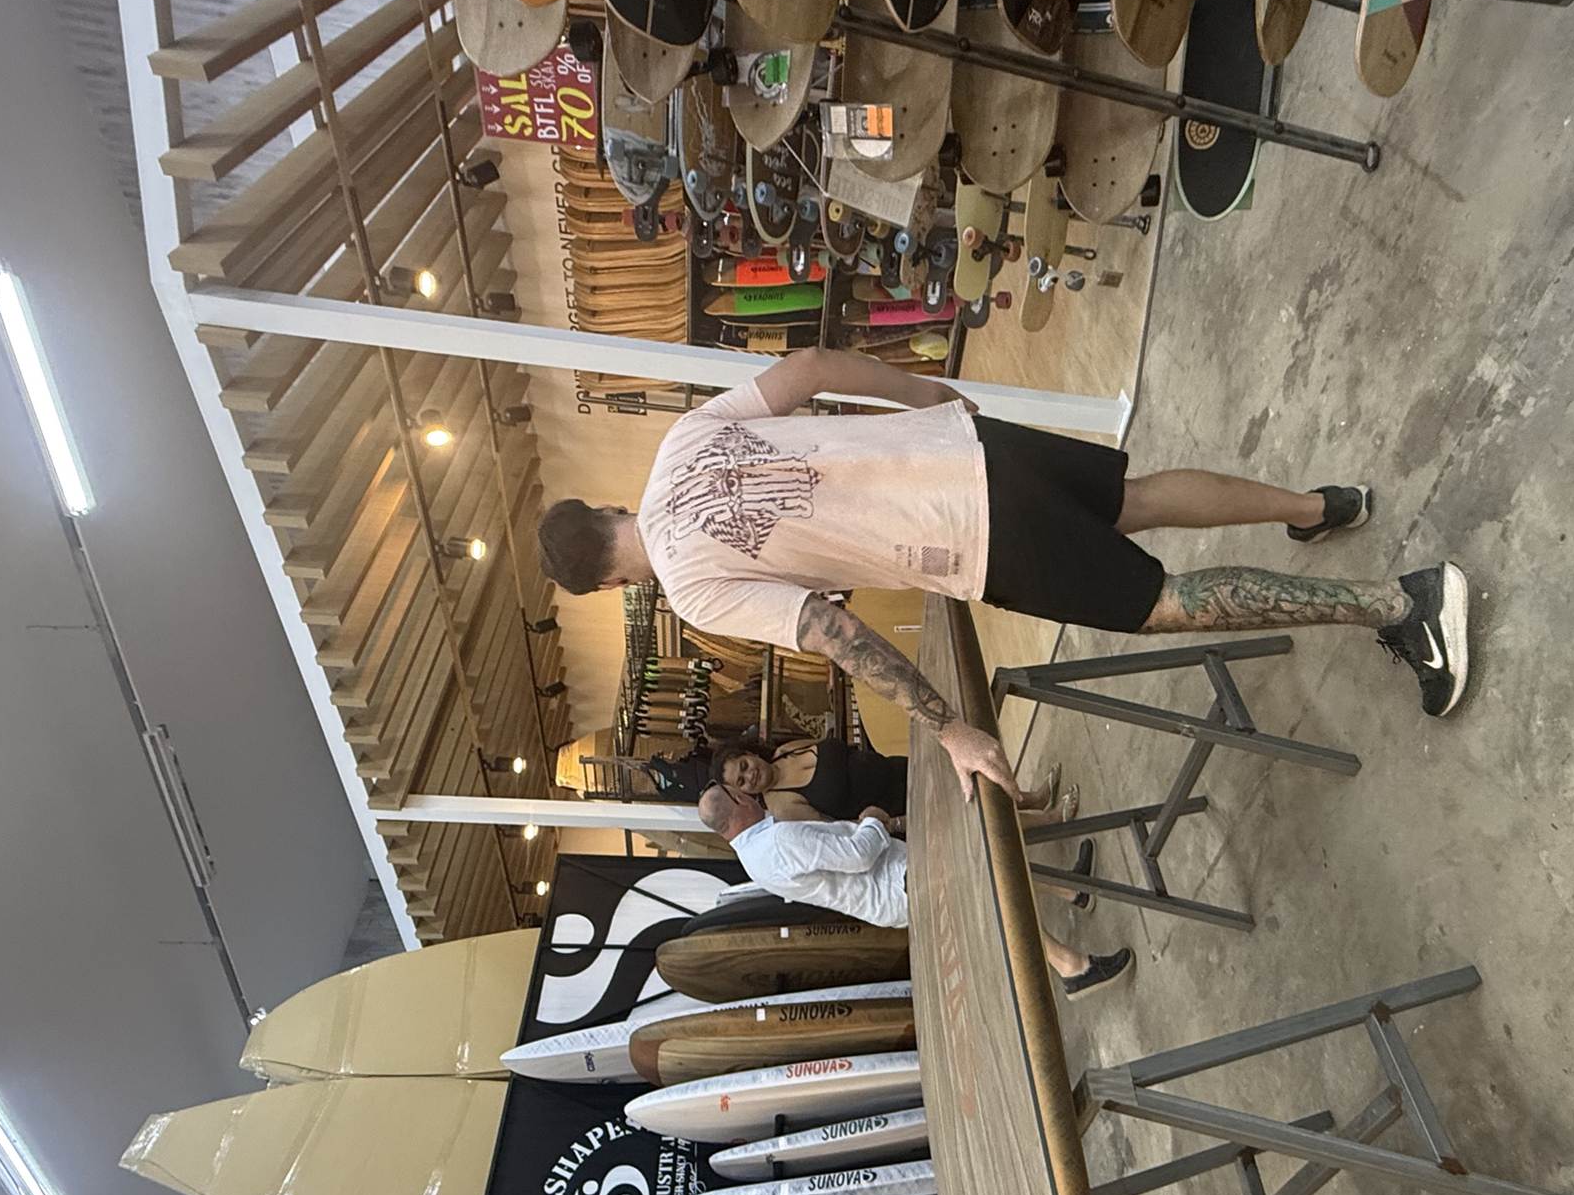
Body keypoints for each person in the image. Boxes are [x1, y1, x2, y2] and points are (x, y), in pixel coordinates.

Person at [537, 347, 1471, 802]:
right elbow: (811, 366)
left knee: (1161, 604)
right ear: (606, 510)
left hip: (972, 541)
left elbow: (835, 634)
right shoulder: (681, 441)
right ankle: (1318, 506)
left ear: (611, 586)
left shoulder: (694, 590)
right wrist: (925, 392)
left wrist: (950, 729)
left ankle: (1402, 604)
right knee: (1135, 498)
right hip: (966, 447)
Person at [697, 784, 1131, 999]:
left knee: (994, 863)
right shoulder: (777, 841)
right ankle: (1072, 967)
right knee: (1000, 889)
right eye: (741, 792)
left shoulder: (754, 859)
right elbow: (858, 856)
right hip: (899, 880)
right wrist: (873, 818)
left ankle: (1072, 892)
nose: (750, 793)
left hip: (893, 890)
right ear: (738, 803)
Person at [708, 732, 1071, 825]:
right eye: (742, 782)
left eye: (744, 766)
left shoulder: (786, 749)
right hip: (897, 808)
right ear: (744, 793)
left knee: (971, 778)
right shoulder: (782, 806)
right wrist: (894, 824)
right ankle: (1051, 819)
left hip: (897, 769)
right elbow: (838, 827)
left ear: (749, 753)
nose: (750, 775)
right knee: (973, 812)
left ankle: (1029, 798)